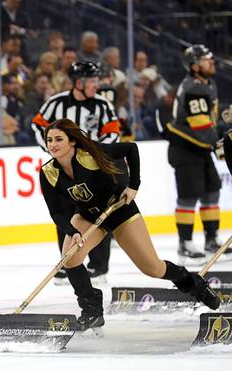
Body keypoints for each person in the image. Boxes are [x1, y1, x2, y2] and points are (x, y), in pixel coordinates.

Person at [40, 119, 220, 332]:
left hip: (119, 211)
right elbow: (57, 212)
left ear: (71, 141)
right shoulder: (48, 173)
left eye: (58, 139)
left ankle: (195, 284)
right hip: (88, 216)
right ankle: (92, 312)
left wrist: (133, 186)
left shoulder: (89, 154)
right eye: (49, 140)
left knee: (152, 268)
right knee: (69, 258)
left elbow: (130, 148)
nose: (53, 144)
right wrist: (72, 231)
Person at [31, 61, 120, 285]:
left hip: (93, 172)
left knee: (97, 214)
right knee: (66, 213)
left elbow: (113, 132)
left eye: (97, 80)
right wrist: (54, 150)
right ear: (78, 82)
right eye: (92, 81)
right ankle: (68, 261)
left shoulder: (102, 104)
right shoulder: (56, 103)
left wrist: (93, 155)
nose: (96, 85)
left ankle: (99, 267)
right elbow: (37, 126)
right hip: (65, 170)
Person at [164, 45, 230, 264]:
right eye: (205, 59)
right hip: (185, 148)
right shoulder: (194, 87)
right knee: (189, 196)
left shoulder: (206, 84)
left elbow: (207, 122)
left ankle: (211, 239)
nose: (211, 61)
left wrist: (219, 131)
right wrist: (220, 143)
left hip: (199, 148)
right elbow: (201, 126)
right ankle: (185, 243)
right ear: (194, 65)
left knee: (212, 191)